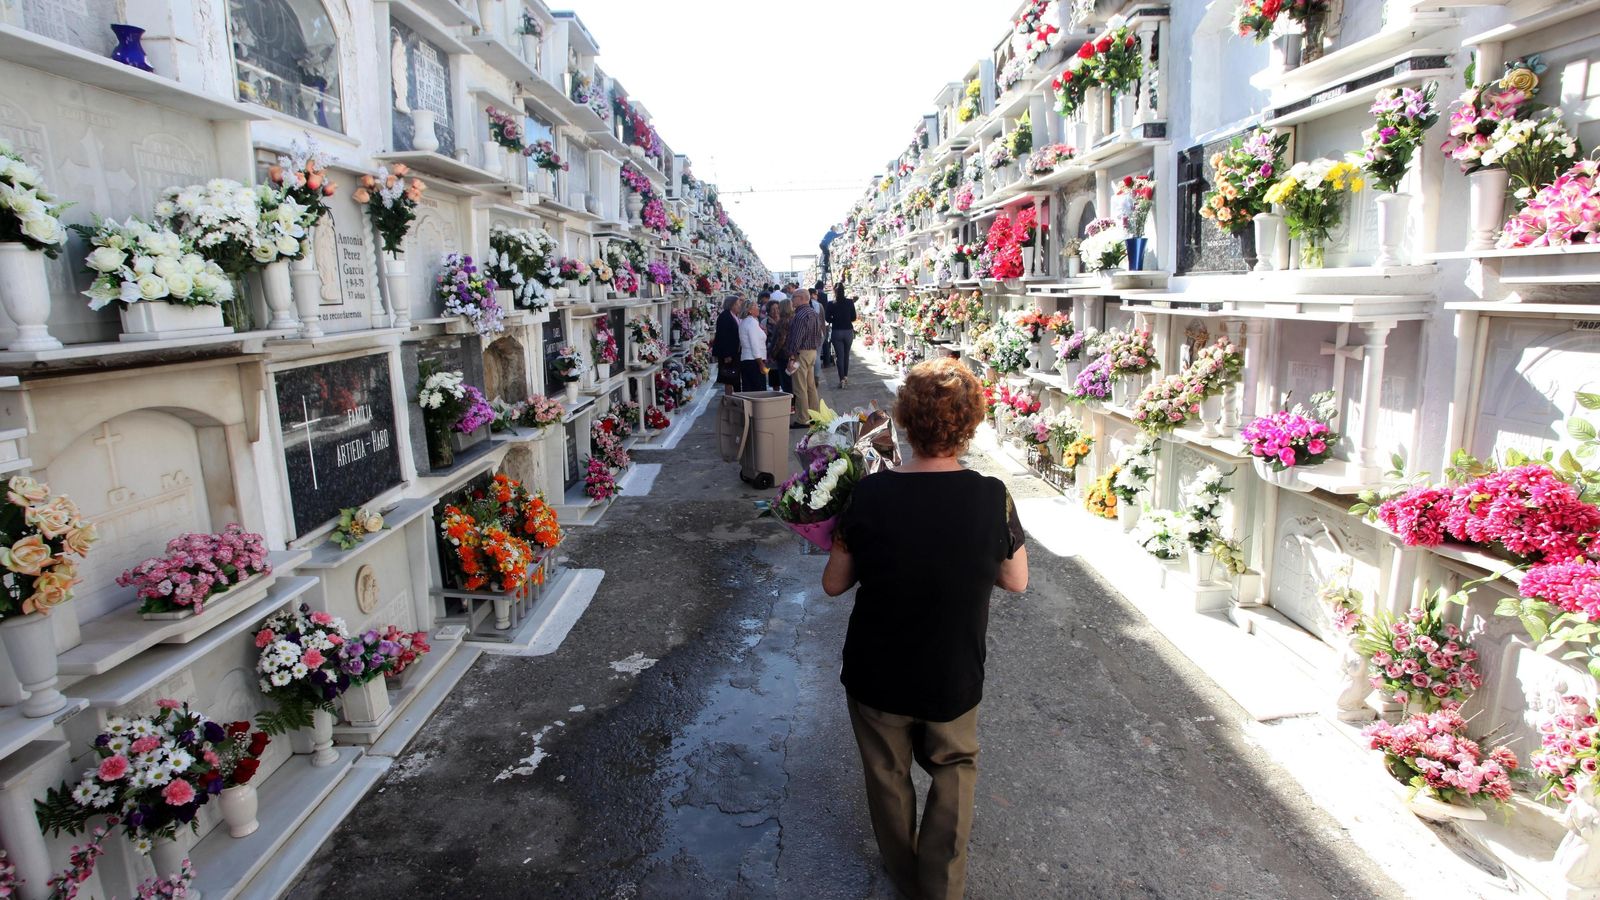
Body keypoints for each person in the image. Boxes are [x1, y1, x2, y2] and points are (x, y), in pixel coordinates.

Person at [822, 358, 1028, 900]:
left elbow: (834, 584)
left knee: (887, 777)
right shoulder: (991, 496)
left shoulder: (869, 494)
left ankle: (903, 874)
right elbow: (1016, 579)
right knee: (954, 772)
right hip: (951, 668)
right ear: (970, 424)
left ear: (906, 422)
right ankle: (941, 888)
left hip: (878, 669)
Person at [787, 288, 824, 427]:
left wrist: (792, 354)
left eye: (794, 297)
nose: (792, 299)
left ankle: (802, 419)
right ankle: (815, 415)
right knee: (810, 387)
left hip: (801, 353)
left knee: (800, 387)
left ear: (802, 298)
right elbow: (820, 334)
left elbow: (797, 337)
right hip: (812, 352)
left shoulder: (800, 315)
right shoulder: (813, 313)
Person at [712, 295, 743, 396]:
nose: (740, 306)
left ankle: (736, 398)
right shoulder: (725, 316)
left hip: (735, 352)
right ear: (732, 305)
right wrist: (726, 355)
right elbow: (723, 336)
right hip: (728, 354)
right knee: (729, 378)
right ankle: (729, 399)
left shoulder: (734, 315)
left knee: (734, 377)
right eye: (738, 304)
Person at [829, 284, 857, 388]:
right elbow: (854, 317)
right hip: (848, 331)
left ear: (834, 292)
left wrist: (835, 319)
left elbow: (827, 318)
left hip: (837, 331)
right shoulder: (849, 302)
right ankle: (845, 376)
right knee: (846, 355)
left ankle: (841, 379)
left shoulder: (831, 304)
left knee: (839, 356)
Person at [737, 297, 767, 393]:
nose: (758, 308)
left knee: (749, 390)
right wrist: (761, 364)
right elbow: (754, 345)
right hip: (754, 361)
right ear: (749, 310)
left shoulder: (745, 321)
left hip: (747, 360)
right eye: (755, 306)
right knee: (758, 391)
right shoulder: (752, 322)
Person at [767, 299, 794, 395]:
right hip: (791, 354)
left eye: (778, 308)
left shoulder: (783, 321)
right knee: (791, 382)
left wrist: (773, 354)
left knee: (786, 382)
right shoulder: (793, 319)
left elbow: (780, 341)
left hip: (783, 355)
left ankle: (791, 404)